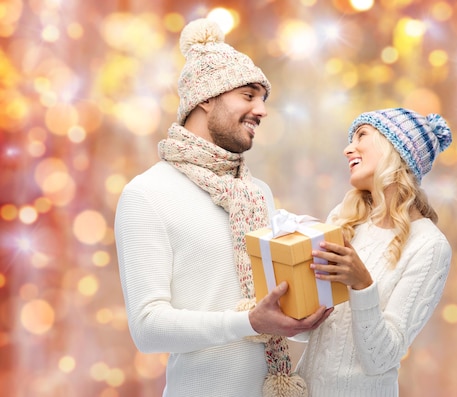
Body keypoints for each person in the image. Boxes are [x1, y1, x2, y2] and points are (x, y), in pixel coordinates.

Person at [114, 18, 330, 397]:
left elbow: (273, 307)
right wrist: (248, 321)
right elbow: (147, 329)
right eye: (248, 95)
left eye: (263, 99)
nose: (261, 110)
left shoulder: (256, 192)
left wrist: (306, 307)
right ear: (206, 98)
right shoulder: (146, 194)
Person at [295, 108, 453, 397]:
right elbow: (314, 333)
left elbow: (381, 357)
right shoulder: (344, 219)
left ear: (394, 148)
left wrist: (362, 284)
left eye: (361, 135)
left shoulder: (430, 246)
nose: (347, 149)